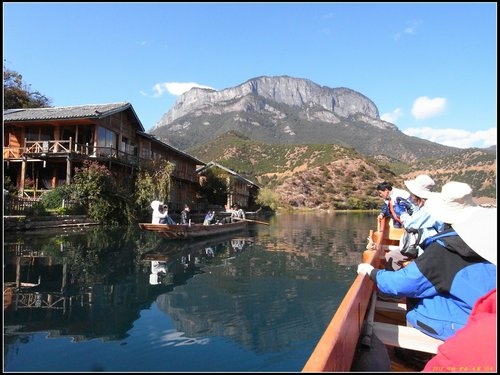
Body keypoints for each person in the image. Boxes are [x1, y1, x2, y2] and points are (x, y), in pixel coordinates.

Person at [357, 181, 496, 341]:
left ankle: (413, 356)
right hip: (486, 310)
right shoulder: (486, 240)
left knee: (416, 300)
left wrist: (373, 272)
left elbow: (402, 284)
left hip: (475, 326)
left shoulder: (445, 249)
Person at [384, 175, 444, 270]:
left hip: (428, 250)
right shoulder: (426, 205)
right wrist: (410, 208)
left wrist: (402, 213)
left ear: (417, 195)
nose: (411, 196)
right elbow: (417, 215)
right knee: (391, 256)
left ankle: (400, 281)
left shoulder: (430, 208)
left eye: (412, 194)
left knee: (393, 258)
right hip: (420, 245)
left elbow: (410, 225)